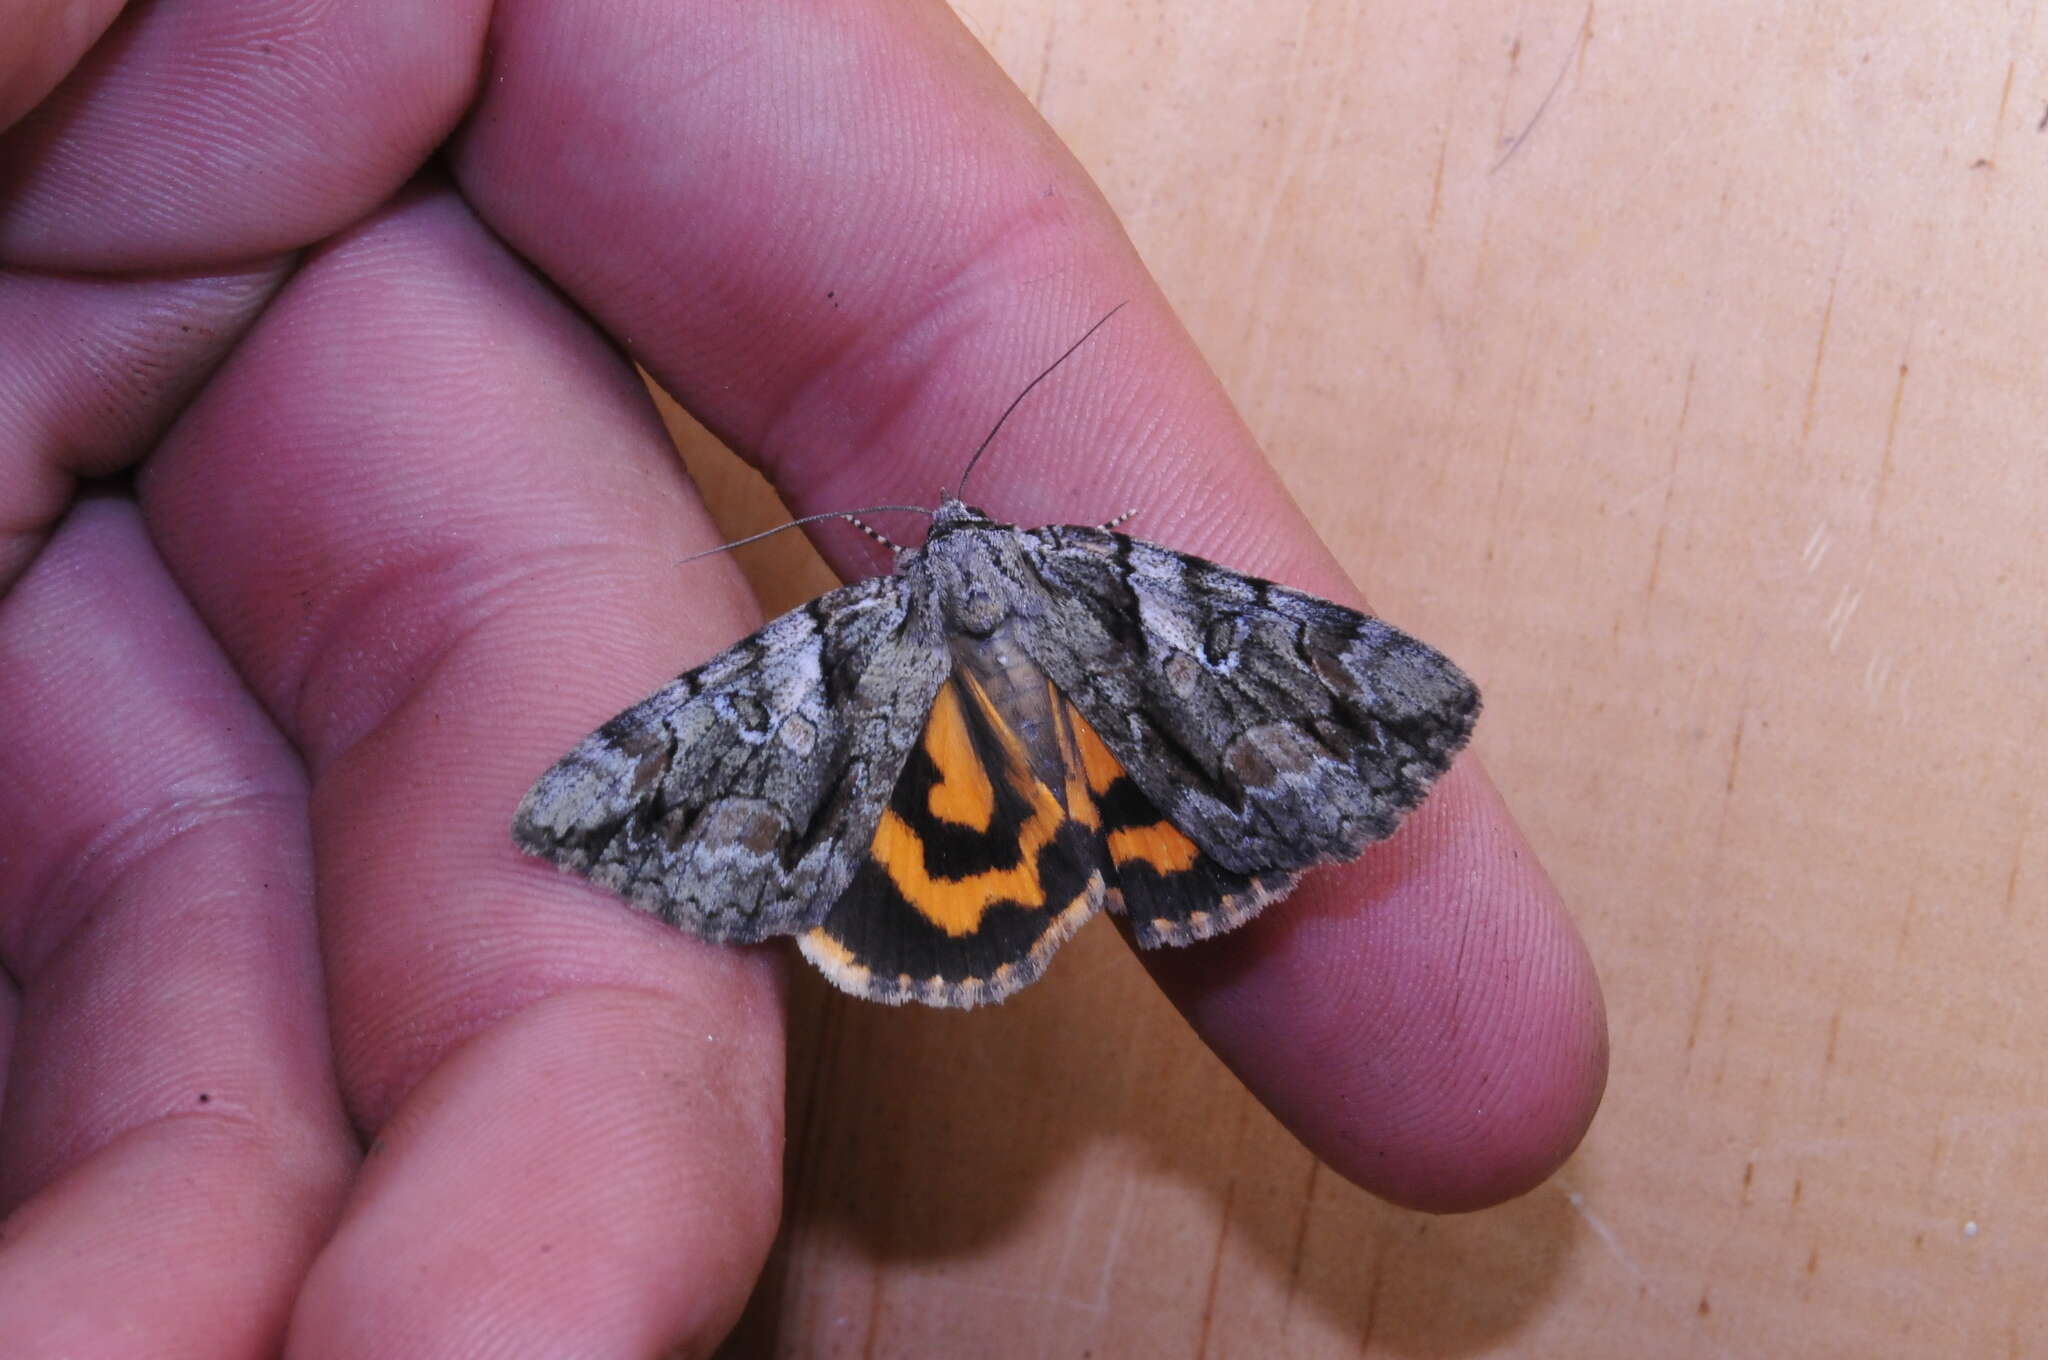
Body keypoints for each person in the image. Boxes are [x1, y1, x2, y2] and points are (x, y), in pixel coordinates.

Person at [0, 2, 1606, 1352]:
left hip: (950, 747)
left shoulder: (873, 633)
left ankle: (1016, 863)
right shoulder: (1097, 584)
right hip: (1084, 742)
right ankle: (1101, 843)